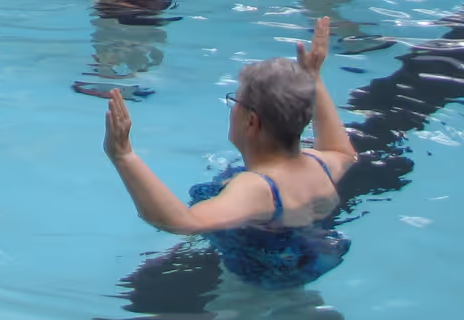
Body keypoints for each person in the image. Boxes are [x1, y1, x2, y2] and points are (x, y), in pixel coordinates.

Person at [103, 17, 357, 290]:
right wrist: (314, 79)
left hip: (256, 279)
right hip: (307, 259)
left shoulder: (256, 188)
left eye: (235, 101)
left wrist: (124, 157)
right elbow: (340, 149)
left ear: (251, 121)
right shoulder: (320, 163)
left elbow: (180, 223)